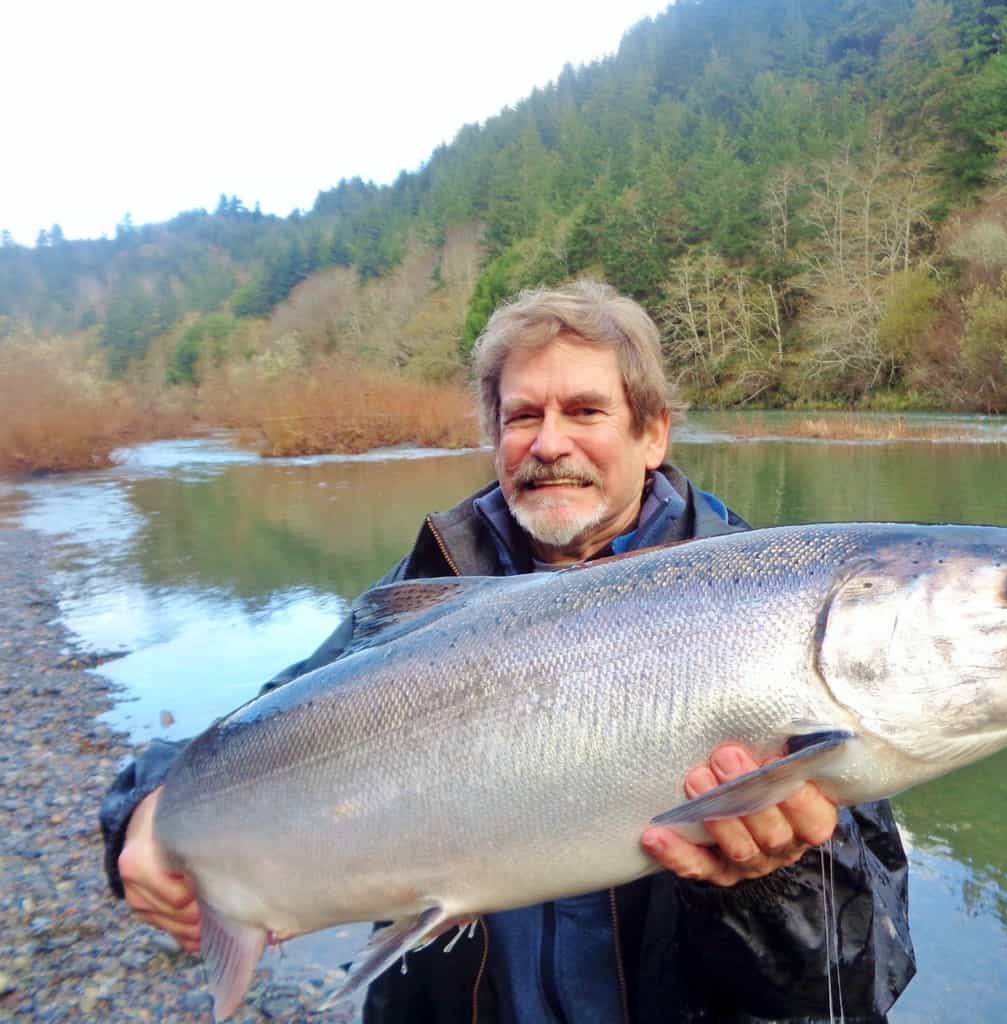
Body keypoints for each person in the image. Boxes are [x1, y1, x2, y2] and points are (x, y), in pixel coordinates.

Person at [100, 281, 916, 1022]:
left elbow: (857, 986)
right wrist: (143, 810)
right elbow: (258, 730)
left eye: (586, 412)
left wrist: (772, 885)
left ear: (652, 434)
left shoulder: (775, 608)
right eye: (523, 416)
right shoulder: (432, 586)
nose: (548, 444)